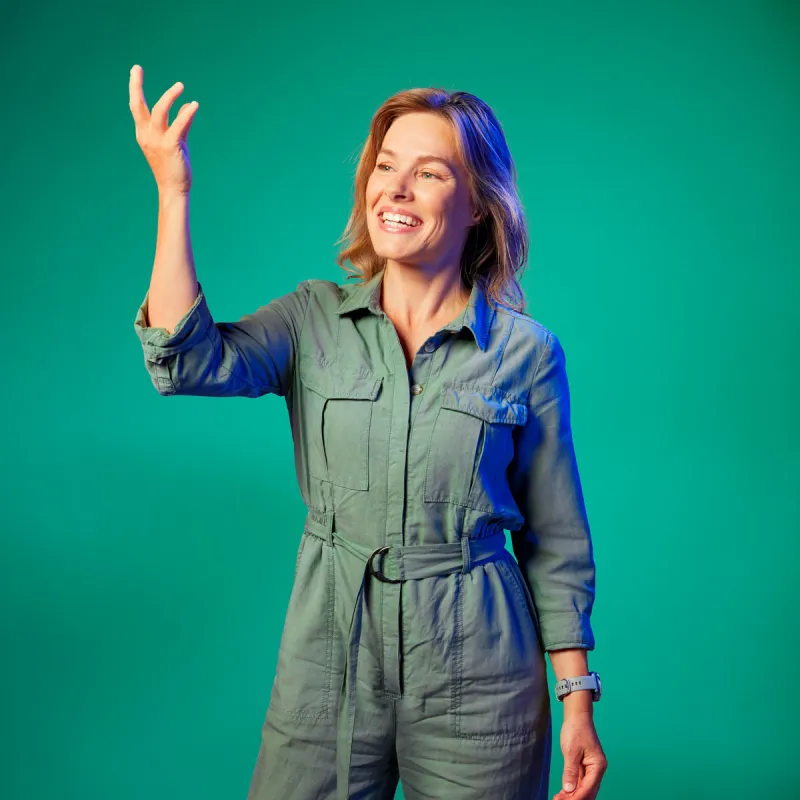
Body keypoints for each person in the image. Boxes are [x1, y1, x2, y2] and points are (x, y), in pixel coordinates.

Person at [128, 64, 608, 800]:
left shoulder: (526, 353)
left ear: (479, 204)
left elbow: (556, 541)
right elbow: (185, 361)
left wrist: (577, 701)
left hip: (479, 663)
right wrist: (173, 192)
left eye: (429, 173)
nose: (397, 189)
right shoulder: (310, 317)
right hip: (330, 653)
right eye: (386, 168)